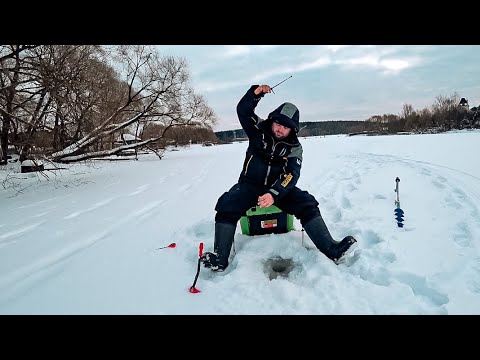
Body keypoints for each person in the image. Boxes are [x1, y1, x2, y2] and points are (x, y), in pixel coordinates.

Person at [200, 84, 357, 272]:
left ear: (293, 130)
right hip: (249, 184)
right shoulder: (258, 130)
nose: (281, 129)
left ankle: (332, 249)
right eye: (279, 124)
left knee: (307, 204)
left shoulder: (294, 148)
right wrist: (255, 93)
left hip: (279, 188)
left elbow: (291, 174)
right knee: (227, 204)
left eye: (286, 127)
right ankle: (220, 258)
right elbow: (243, 111)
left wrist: (274, 193)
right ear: (272, 120)